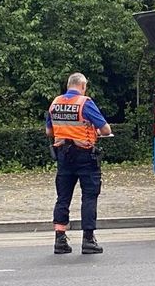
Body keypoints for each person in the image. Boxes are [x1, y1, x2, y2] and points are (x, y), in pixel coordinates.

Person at [46, 72, 112, 255]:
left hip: (63, 156)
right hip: (85, 157)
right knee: (89, 197)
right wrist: (93, 132)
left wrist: (66, 134)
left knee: (63, 197)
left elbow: (48, 131)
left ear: (69, 85)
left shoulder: (55, 103)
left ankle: (60, 240)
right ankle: (88, 240)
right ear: (83, 86)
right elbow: (106, 129)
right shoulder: (85, 102)